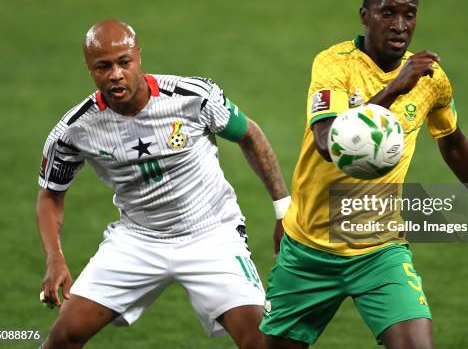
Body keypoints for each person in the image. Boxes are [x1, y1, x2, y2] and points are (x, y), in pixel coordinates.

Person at [259, 0, 468, 348]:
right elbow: (328, 143)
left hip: (380, 251)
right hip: (309, 251)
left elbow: (453, 142)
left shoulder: (430, 78)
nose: (400, 25)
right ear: (365, 15)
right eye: (388, 12)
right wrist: (394, 88)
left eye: (409, 15)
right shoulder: (334, 64)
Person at [36, 20, 289, 349]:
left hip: (211, 234)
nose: (115, 74)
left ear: (139, 57)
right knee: (64, 336)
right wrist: (54, 258)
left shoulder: (191, 97)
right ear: (89, 68)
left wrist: (284, 209)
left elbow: (250, 135)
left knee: (260, 341)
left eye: (124, 62)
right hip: (138, 239)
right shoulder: (75, 130)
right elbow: (50, 194)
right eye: (103, 66)